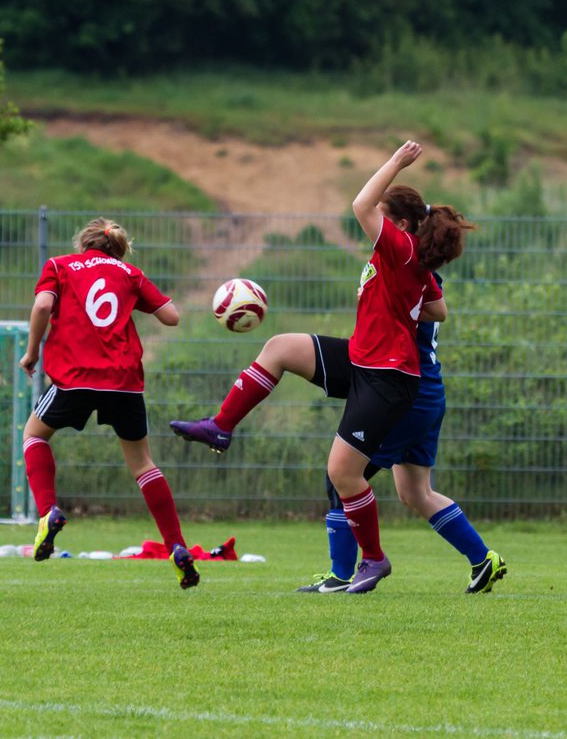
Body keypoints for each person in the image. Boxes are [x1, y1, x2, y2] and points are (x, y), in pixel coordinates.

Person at [172, 140, 475, 593]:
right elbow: (439, 310)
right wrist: (405, 305)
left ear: (404, 225)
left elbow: (360, 203)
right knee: (279, 348)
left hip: (388, 375)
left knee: (342, 473)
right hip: (363, 358)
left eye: (386, 218)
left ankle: (372, 561)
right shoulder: (409, 262)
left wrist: (395, 161)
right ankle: (221, 426)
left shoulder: (402, 250)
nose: (376, 224)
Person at [18, 217, 199, 589]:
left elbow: (41, 307)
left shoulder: (59, 265)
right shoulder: (129, 273)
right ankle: (177, 546)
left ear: (82, 245)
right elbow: (172, 317)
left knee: (34, 435)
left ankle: (47, 510)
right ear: (117, 248)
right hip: (124, 381)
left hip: (76, 377)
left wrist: (32, 352)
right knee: (143, 464)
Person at [296, 289, 507, 595]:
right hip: (428, 392)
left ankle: (340, 575)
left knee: (343, 477)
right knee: (416, 492)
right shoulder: (420, 269)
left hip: (404, 395)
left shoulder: (407, 269)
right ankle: (483, 559)